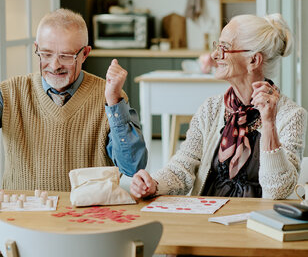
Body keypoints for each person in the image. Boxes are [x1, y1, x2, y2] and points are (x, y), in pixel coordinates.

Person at [0, 8, 147, 192]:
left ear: (85, 54)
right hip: (24, 217)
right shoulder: (13, 92)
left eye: (66, 56)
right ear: (37, 48)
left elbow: (132, 166)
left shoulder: (109, 96)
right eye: (46, 54)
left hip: (87, 220)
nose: (54, 65)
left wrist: (113, 102)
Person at [130, 13, 306, 200]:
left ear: (253, 60)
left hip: (257, 221)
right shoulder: (211, 108)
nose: (214, 55)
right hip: (207, 217)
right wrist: (153, 184)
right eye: (217, 46)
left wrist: (269, 123)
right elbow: (183, 167)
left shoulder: (291, 115)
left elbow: (279, 190)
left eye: (224, 48)